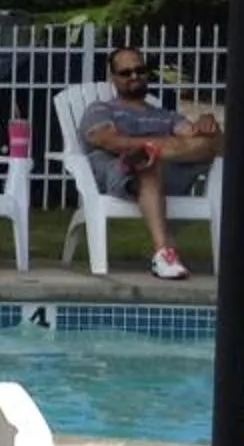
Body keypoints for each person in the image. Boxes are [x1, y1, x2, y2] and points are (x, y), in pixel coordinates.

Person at [81, 46, 225, 281]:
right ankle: (163, 254)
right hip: (120, 175)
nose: (134, 76)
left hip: (166, 175)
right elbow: (109, 140)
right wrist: (171, 146)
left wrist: (210, 126)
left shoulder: (166, 116)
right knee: (146, 161)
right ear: (113, 79)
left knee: (166, 152)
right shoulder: (100, 109)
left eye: (140, 70)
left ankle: (151, 155)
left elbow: (213, 146)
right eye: (126, 73)